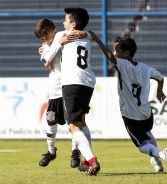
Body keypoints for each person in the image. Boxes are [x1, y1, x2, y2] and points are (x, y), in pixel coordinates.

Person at [89, 31, 167, 173]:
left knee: (142, 146)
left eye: (117, 50)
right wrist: (159, 90)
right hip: (146, 113)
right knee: (147, 133)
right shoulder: (145, 68)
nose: (114, 53)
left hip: (131, 115)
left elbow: (108, 56)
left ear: (126, 54)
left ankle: (162, 154)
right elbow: (160, 77)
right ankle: (157, 162)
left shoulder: (122, 65)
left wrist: (96, 39)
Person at [41, 7, 100, 176]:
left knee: (73, 126)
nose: (63, 23)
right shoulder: (85, 37)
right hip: (88, 82)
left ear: (73, 24)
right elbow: (89, 35)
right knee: (81, 122)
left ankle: (92, 160)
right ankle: (86, 161)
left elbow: (48, 59)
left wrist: (49, 47)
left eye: (66, 20)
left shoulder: (61, 36)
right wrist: (88, 34)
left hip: (72, 82)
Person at [34, 18, 87, 167]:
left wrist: (62, 41)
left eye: (47, 37)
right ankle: (51, 151)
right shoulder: (47, 45)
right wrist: (58, 44)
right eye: (43, 39)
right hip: (55, 90)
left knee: (74, 123)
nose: (46, 41)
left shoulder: (64, 35)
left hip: (70, 85)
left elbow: (80, 34)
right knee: (51, 121)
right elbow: (47, 61)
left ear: (54, 31)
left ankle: (76, 152)